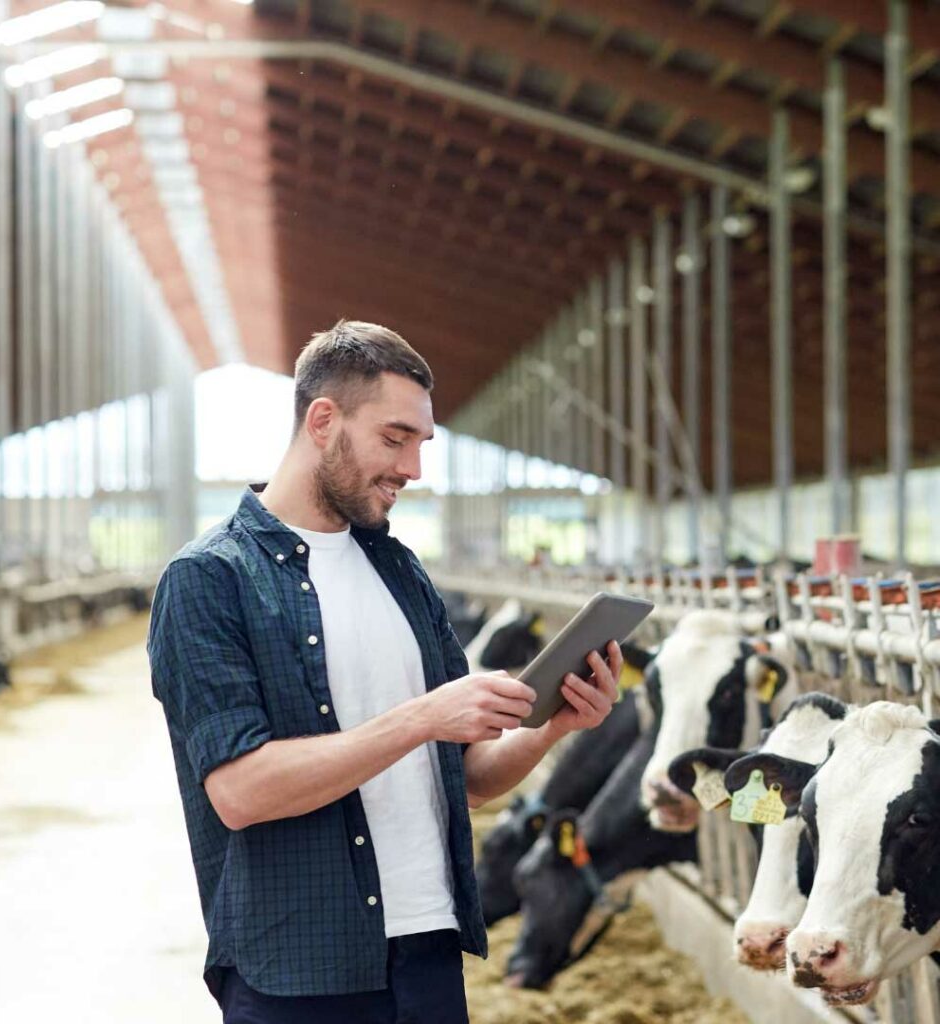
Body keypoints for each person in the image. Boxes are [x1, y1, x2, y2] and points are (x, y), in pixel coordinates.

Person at [147, 320, 623, 1024]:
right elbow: (242, 793)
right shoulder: (211, 579)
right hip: (299, 967)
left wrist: (553, 727)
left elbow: (468, 780)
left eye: (422, 443)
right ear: (322, 420)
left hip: (427, 950)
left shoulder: (400, 571)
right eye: (395, 439)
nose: (413, 468)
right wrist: (424, 716)